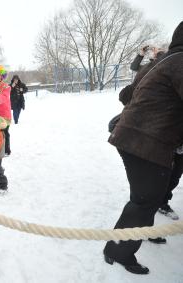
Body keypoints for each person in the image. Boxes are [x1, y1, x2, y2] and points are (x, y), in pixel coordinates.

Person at [103, 21, 183, 275]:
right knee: (144, 200)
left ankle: (145, 231)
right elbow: (127, 93)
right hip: (143, 142)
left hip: (139, 138)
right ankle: (117, 251)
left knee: (154, 195)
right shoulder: (178, 62)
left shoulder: (168, 60)